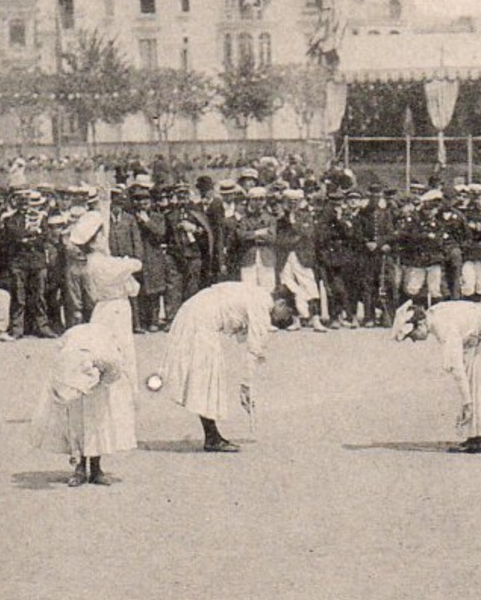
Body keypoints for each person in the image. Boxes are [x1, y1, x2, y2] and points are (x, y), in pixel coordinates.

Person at [159, 281, 296, 452]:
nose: (286, 319)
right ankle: (212, 438)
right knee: (208, 376)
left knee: (206, 376)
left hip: (194, 313)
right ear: (281, 303)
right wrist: (246, 385)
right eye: (288, 312)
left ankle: (212, 436)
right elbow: (254, 349)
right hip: (200, 320)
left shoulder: (258, 295)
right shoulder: (261, 305)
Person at [391, 297, 481, 453]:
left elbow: (457, 368)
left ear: (420, 324)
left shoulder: (443, 327)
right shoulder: (434, 315)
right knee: (476, 376)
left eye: (412, 335)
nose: (414, 340)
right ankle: (477, 437)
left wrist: (467, 403)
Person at [66, 203, 143, 464]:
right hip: (112, 315)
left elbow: (133, 288)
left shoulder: (99, 262)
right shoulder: (102, 264)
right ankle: (90, 453)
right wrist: (117, 260)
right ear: (96, 239)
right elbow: (136, 265)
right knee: (109, 372)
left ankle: (97, 455)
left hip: (113, 312)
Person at [32, 321, 127, 486]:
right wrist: (75, 387)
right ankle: (80, 468)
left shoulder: (108, 356)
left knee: (97, 423)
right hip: (74, 370)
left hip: (99, 380)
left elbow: (114, 373)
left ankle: (96, 469)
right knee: (75, 424)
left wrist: (98, 381)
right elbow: (60, 381)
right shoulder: (66, 360)